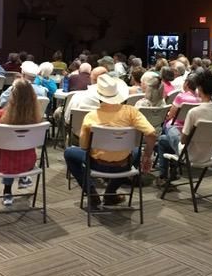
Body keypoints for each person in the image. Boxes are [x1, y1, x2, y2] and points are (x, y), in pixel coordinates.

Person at [64, 74, 156, 206]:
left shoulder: (91, 117)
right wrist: (147, 156)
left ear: (98, 96)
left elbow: (84, 146)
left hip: (96, 164)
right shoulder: (132, 112)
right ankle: (110, 193)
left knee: (69, 153)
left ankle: (91, 193)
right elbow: (151, 133)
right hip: (123, 165)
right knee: (137, 152)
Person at [157, 70, 212, 186]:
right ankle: (168, 175)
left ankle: (164, 176)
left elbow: (183, 140)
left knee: (169, 130)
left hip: (191, 155)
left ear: (199, 88)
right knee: (163, 140)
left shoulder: (194, 112)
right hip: (210, 152)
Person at [0, 79, 44, 205]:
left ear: (12, 96)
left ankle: (7, 191)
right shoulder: (37, 118)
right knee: (18, 152)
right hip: (28, 162)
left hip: (2, 163)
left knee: (8, 155)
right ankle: (23, 176)